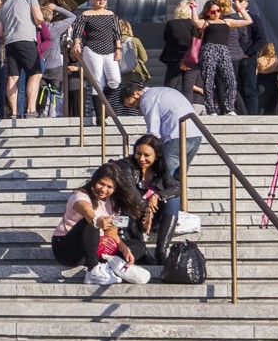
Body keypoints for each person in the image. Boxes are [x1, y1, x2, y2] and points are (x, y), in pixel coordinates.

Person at [118, 79, 201, 225]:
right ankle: (176, 214)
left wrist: (149, 149)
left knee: (165, 180)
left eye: (132, 104)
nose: (136, 108)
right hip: (194, 134)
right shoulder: (159, 92)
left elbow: (153, 128)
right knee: (177, 180)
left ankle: (163, 218)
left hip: (176, 135)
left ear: (137, 93)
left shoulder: (147, 99)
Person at [51, 166, 146, 282]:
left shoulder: (111, 202)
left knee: (138, 246)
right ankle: (93, 271)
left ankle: (111, 266)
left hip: (93, 248)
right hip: (68, 249)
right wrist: (96, 221)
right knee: (90, 223)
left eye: (110, 187)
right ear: (94, 180)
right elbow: (87, 211)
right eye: (101, 184)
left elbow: (111, 233)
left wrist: (124, 248)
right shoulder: (80, 195)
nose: (104, 189)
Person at [105, 135, 172, 263]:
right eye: (138, 153)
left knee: (173, 201)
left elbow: (176, 187)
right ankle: (142, 251)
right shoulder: (126, 165)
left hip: (152, 215)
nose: (141, 158)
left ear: (156, 156)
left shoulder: (160, 167)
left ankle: (162, 249)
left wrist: (157, 196)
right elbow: (131, 191)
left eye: (147, 155)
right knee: (128, 201)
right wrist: (147, 210)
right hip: (129, 213)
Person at [75, 0, 124, 123]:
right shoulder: (86, 14)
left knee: (115, 80)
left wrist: (118, 48)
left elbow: (117, 34)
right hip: (92, 49)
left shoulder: (111, 15)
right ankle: (100, 117)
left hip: (110, 50)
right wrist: (77, 44)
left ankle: (103, 103)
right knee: (98, 81)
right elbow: (78, 32)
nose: (102, 0)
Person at [0, 0, 44, 118]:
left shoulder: (4, 6)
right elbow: (39, 17)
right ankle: (31, 110)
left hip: (10, 43)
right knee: (36, 73)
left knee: (13, 77)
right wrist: (38, 24)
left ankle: (14, 113)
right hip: (25, 39)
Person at [228, 0, 269, 114]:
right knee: (235, 86)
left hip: (247, 57)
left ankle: (251, 115)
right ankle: (239, 112)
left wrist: (249, 52)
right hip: (233, 57)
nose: (237, 3)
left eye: (240, 0)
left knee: (249, 87)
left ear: (246, 3)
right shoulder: (231, 18)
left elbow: (262, 38)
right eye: (234, 1)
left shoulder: (254, 18)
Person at [199, 0, 238, 114]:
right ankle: (211, 109)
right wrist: (193, 9)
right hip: (208, 49)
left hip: (223, 50)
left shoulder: (226, 21)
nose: (216, 13)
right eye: (212, 12)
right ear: (207, 12)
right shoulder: (205, 22)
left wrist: (241, 10)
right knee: (208, 80)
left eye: (218, 10)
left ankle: (229, 108)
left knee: (231, 80)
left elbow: (248, 20)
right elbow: (195, 21)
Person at [38, 2, 75, 117]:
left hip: (40, 63)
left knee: (41, 90)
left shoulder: (35, 28)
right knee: (56, 91)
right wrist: (57, 8)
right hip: (55, 64)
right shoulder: (55, 27)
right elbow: (72, 17)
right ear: (51, 16)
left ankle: (40, 112)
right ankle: (56, 113)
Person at [160, 0, 198, 99]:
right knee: (188, 88)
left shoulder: (171, 23)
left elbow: (166, 38)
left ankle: (167, 107)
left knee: (170, 85)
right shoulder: (195, 24)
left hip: (174, 57)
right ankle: (188, 110)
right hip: (191, 58)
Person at [254, 43, 278, 114]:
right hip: (274, 84)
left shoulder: (259, 60)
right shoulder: (277, 59)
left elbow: (255, 73)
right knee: (272, 105)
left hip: (261, 84)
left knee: (260, 104)